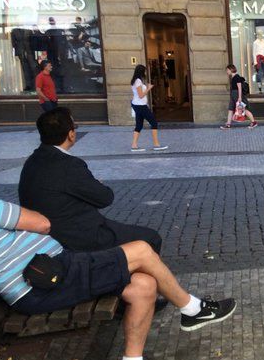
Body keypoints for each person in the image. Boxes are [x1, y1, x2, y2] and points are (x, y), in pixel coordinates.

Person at [0, 139, 236, 360]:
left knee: (143, 285)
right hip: (48, 279)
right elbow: (41, 223)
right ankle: (192, 309)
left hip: (44, 280)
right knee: (140, 249)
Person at [19, 107, 162, 254]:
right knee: (151, 238)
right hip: (80, 236)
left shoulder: (32, 160)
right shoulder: (69, 165)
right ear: (71, 135)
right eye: (75, 127)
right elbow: (104, 198)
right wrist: (96, 185)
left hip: (47, 234)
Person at [129, 64, 167, 152]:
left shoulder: (135, 81)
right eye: (144, 71)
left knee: (139, 125)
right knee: (154, 123)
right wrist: (148, 88)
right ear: (141, 72)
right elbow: (141, 95)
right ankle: (156, 144)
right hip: (140, 105)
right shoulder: (138, 81)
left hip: (137, 105)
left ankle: (134, 145)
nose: (145, 73)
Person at [221, 64, 259, 129]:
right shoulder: (233, 78)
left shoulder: (237, 77)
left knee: (243, 109)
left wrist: (240, 97)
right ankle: (228, 124)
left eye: (227, 70)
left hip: (237, 95)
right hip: (233, 95)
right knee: (230, 109)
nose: (227, 71)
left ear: (231, 69)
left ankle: (253, 122)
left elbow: (239, 87)